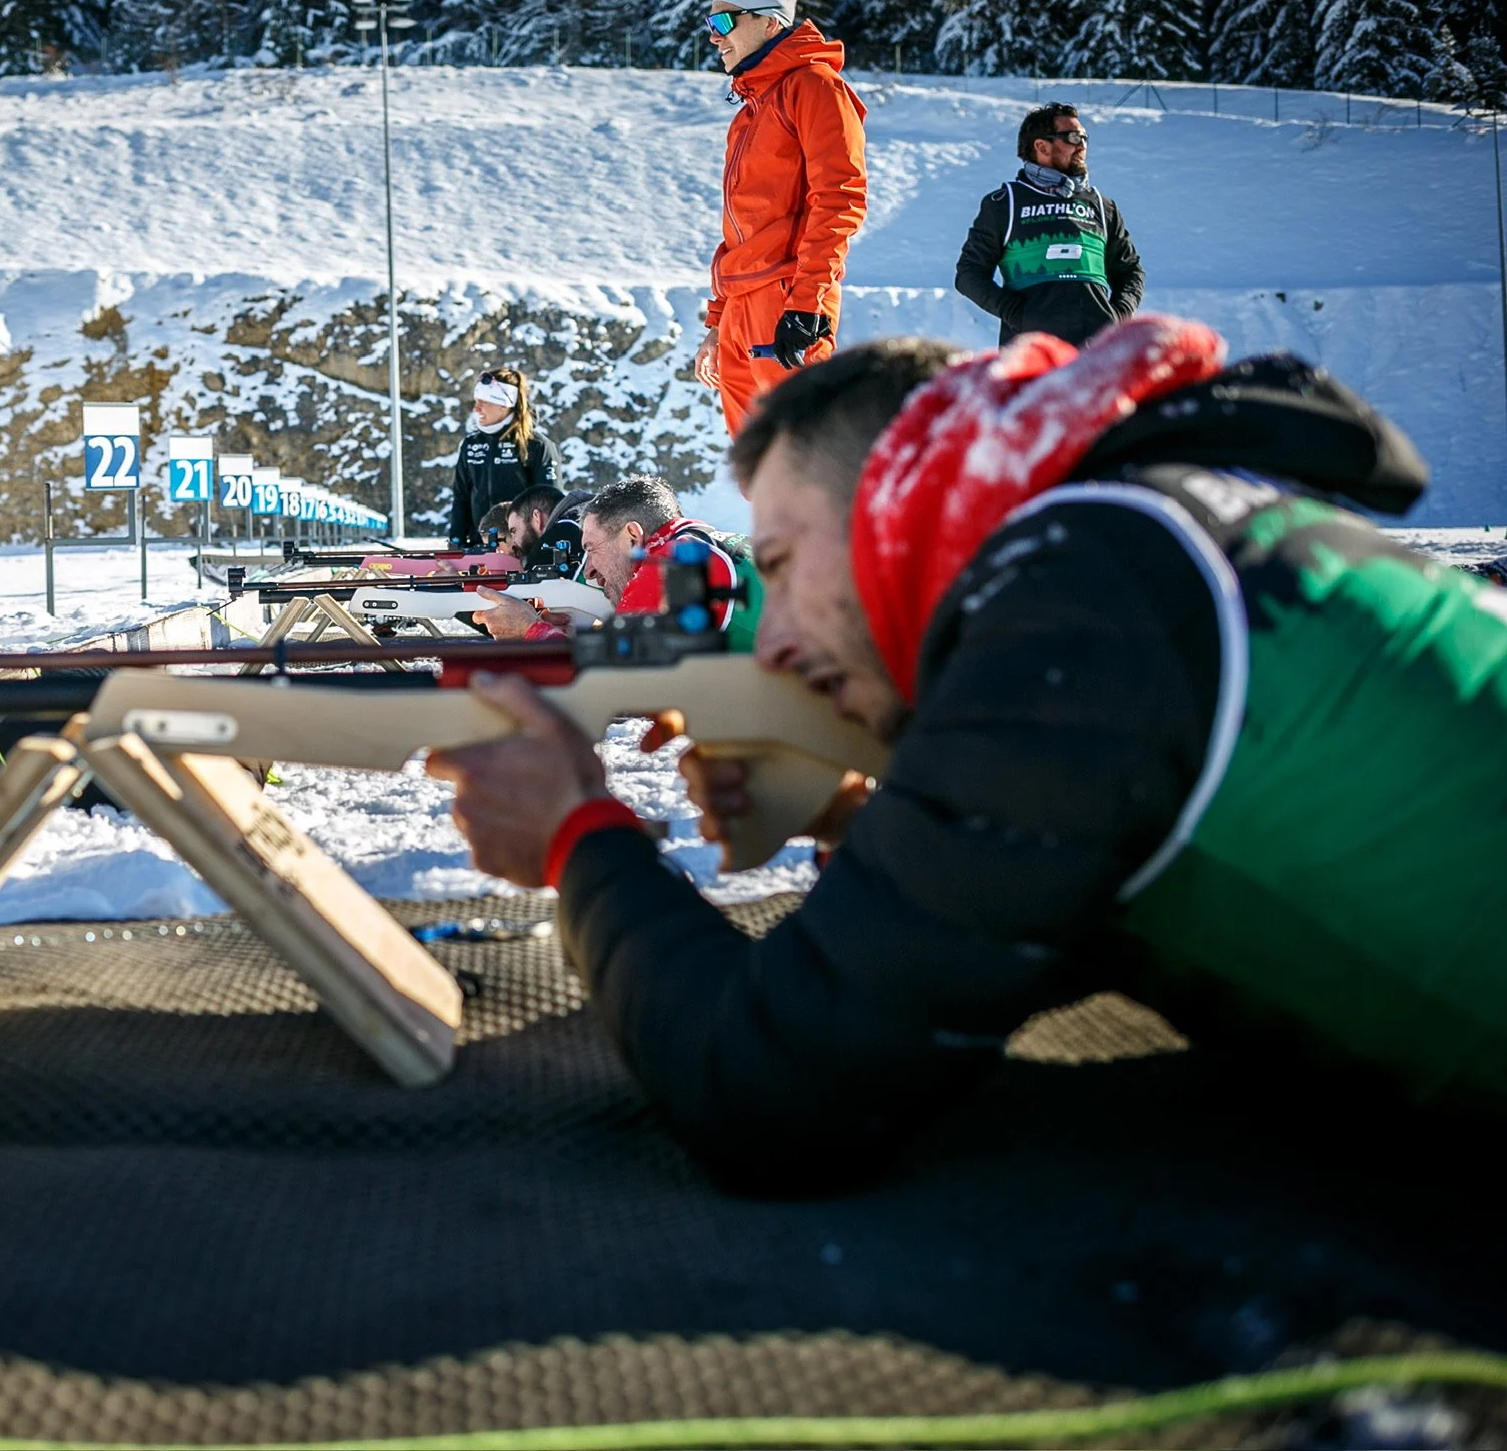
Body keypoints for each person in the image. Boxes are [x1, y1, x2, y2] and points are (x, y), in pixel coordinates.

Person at [427, 317, 1507, 1187]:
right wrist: (871, 819)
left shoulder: (1074, 606)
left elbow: (766, 1088)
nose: (777, 634)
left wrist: (579, 834)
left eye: (784, 564)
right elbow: (1065, 887)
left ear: (891, 507)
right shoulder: (1126, 540)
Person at [689, 0, 869, 438]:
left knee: (803, 455)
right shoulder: (750, 110)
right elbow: (739, 228)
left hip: (787, 296)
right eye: (710, 23)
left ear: (770, 22)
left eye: (724, 21)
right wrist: (718, 322)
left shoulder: (816, 87)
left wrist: (807, 303)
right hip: (741, 305)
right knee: (755, 463)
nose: (715, 37)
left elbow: (840, 201)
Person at [954, 103, 1145, 347]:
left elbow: (1130, 272)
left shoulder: (1101, 206)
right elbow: (969, 274)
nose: (1082, 145)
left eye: (1085, 137)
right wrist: (1019, 316)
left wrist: (1116, 319)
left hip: (1095, 355)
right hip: (1031, 355)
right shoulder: (1005, 203)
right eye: (1073, 137)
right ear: (1042, 146)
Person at [478, 477, 754, 643]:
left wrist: (531, 630)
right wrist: (579, 638)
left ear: (632, 537)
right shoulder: (700, 540)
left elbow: (610, 682)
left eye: (591, 548)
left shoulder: (667, 564)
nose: (589, 570)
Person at [448, 368, 554, 549]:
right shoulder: (471, 444)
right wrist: (455, 543)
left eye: (483, 402)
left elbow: (549, 505)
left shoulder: (536, 445)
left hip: (522, 549)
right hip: (480, 547)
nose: (476, 408)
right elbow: (461, 498)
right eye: (476, 401)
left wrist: (541, 550)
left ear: (503, 404)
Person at [503, 483, 585, 574]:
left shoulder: (550, 544)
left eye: (514, 531)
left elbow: (532, 582)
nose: (513, 542)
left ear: (537, 518)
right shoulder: (584, 519)